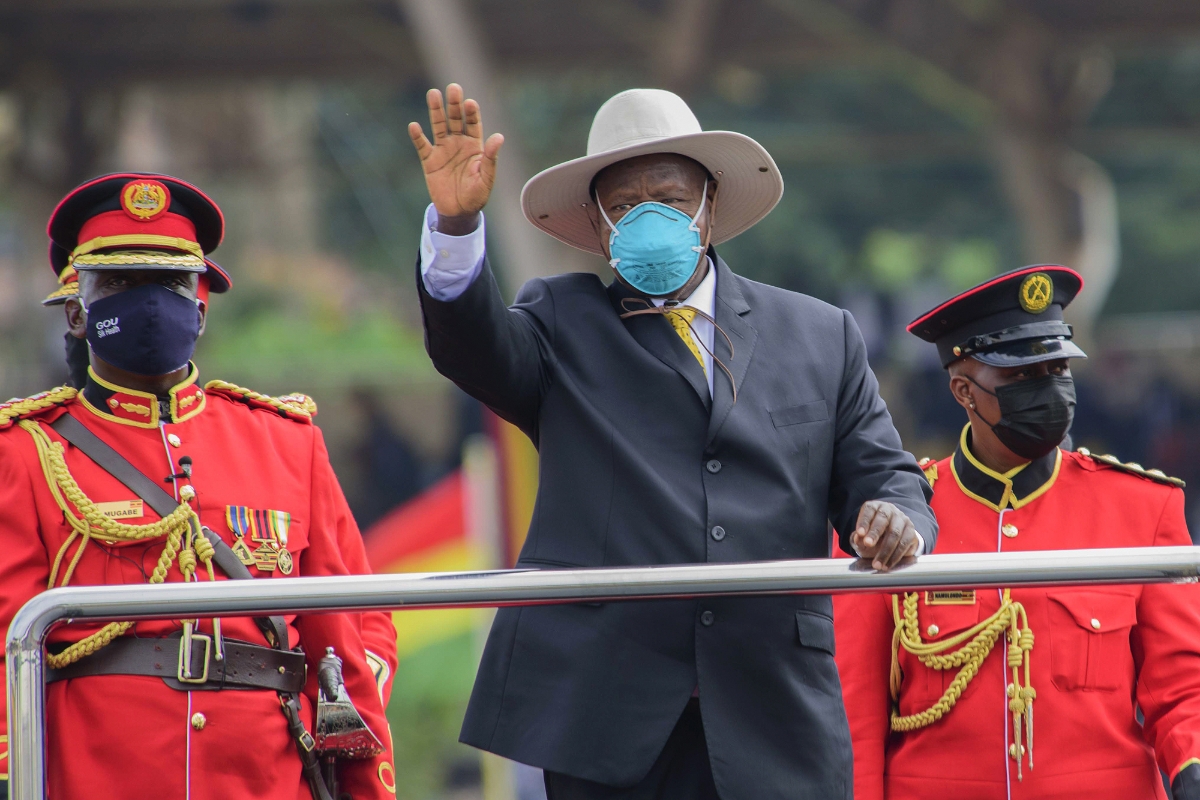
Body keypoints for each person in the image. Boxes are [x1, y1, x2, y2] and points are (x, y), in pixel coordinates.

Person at [406, 84, 937, 799]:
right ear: (597, 227)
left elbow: (885, 474)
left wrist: (898, 519)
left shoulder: (819, 333)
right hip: (610, 718)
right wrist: (456, 225)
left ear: (711, 205)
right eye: (625, 207)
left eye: (670, 197)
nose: (649, 218)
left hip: (773, 711)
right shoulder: (562, 321)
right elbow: (471, 346)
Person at [0, 173, 398, 800]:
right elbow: (6, 647)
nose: (149, 301)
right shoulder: (25, 452)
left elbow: (351, 631)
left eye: (170, 283)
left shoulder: (289, 443)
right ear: (75, 310)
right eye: (119, 284)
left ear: (203, 304)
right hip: (100, 777)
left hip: (265, 778)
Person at [834, 265, 1200, 800]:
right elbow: (856, 712)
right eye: (1023, 377)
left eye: (1058, 370)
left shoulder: (1141, 508)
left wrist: (1191, 765)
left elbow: (1182, 685)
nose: (1050, 390)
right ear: (964, 390)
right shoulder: (898, 518)